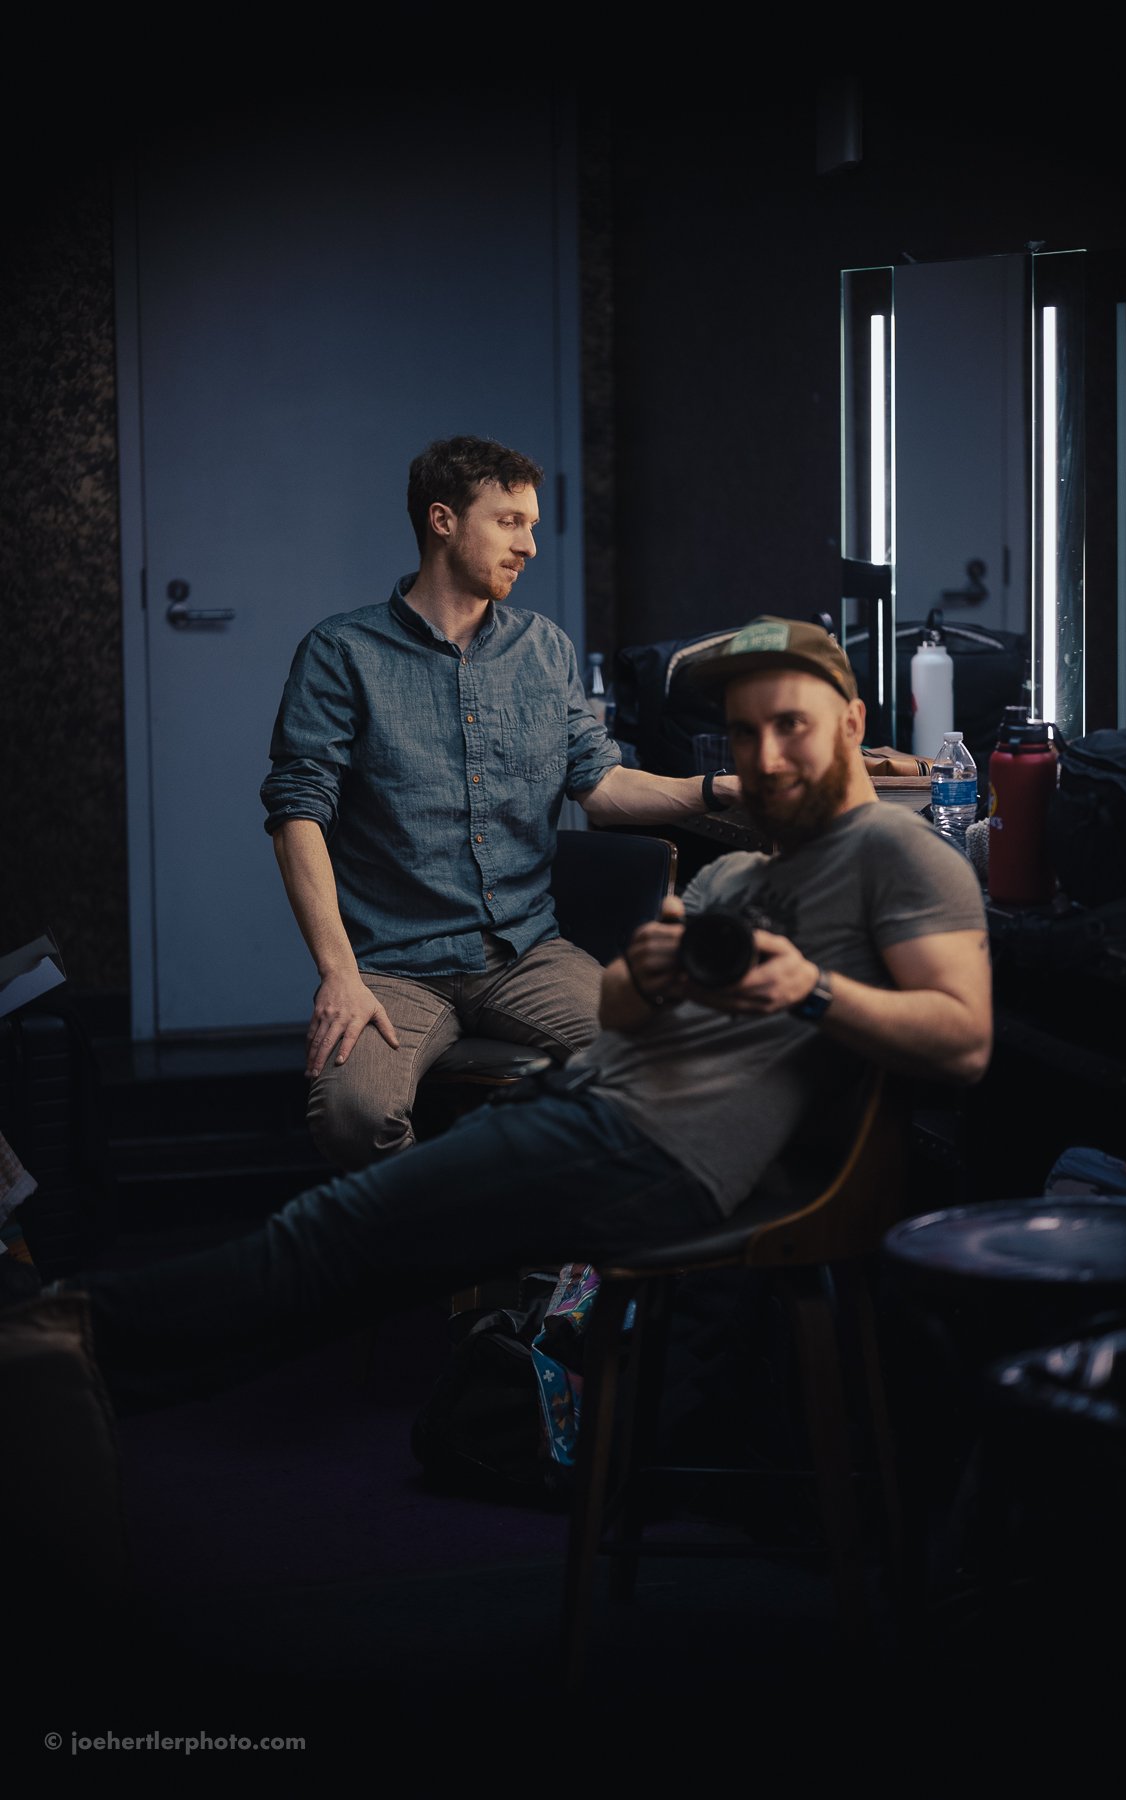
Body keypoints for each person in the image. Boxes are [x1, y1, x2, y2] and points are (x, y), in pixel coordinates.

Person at [71, 615, 991, 1414]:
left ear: (854, 724)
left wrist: (811, 989)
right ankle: (87, 1387)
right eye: (744, 736)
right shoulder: (740, 871)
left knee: (330, 1237)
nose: (765, 757)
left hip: (651, 1148)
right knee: (348, 1266)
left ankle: (65, 1335)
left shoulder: (897, 852)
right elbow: (624, 1013)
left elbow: (964, 1043)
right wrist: (652, 973)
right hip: (583, 1103)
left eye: (792, 727)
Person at [260, 434, 742, 1171]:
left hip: (525, 952)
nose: (531, 546)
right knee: (356, 1114)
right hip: (393, 961)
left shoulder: (543, 649)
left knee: (671, 1066)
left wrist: (716, 789)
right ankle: (442, 1263)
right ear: (443, 520)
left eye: (533, 525)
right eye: (510, 522)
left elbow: (602, 785)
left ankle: (574, 1271)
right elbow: (298, 814)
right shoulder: (341, 653)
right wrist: (339, 973)